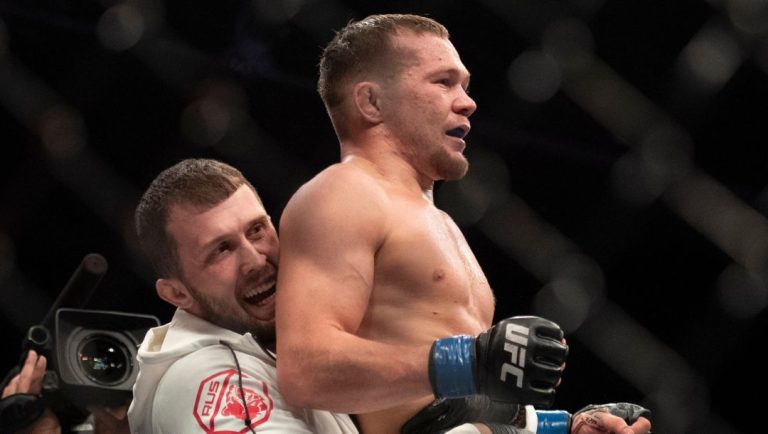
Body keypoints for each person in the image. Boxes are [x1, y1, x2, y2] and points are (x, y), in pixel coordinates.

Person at [275, 14, 653, 434]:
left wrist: (564, 426)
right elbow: (305, 370)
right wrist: (464, 361)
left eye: (465, 85)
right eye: (442, 82)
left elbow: (470, 403)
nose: (467, 102)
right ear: (372, 103)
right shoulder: (343, 195)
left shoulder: (437, 220)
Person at [126, 159, 357, 433]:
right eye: (221, 249)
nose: (255, 261)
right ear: (178, 293)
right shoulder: (206, 377)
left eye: (256, 230)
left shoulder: (278, 349)